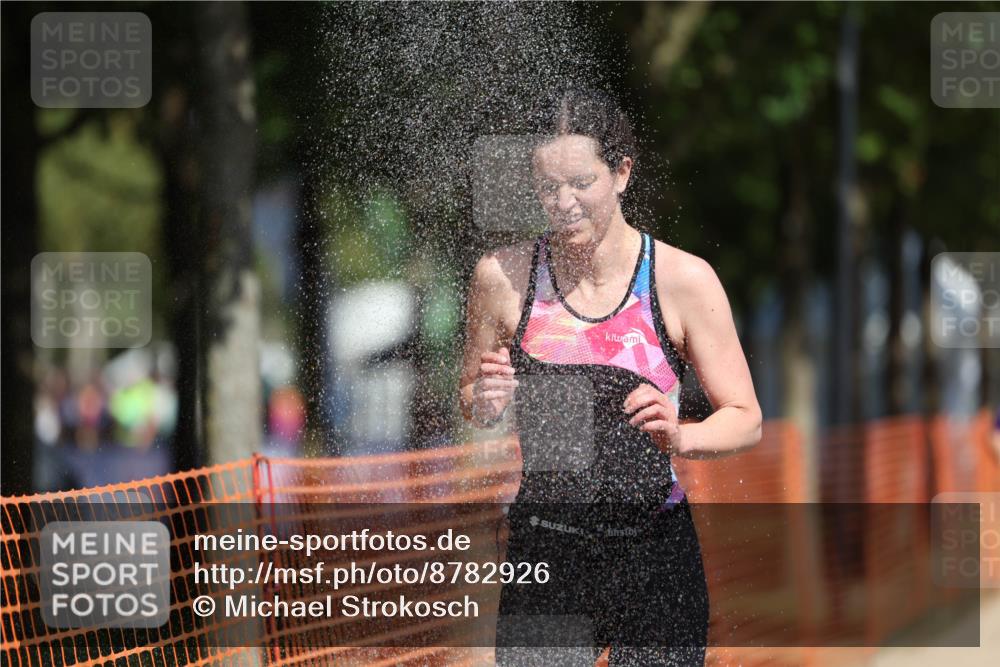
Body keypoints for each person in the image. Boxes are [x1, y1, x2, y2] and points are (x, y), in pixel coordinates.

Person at [459, 89, 762, 666]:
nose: (564, 202)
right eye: (548, 188)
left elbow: (746, 420)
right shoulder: (503, 278)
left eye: (580, 182)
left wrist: (684, 437)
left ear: (621, 172)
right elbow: (472, 393)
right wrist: (485, 399)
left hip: (654, 550)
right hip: (545, 548)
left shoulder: (681, 280)